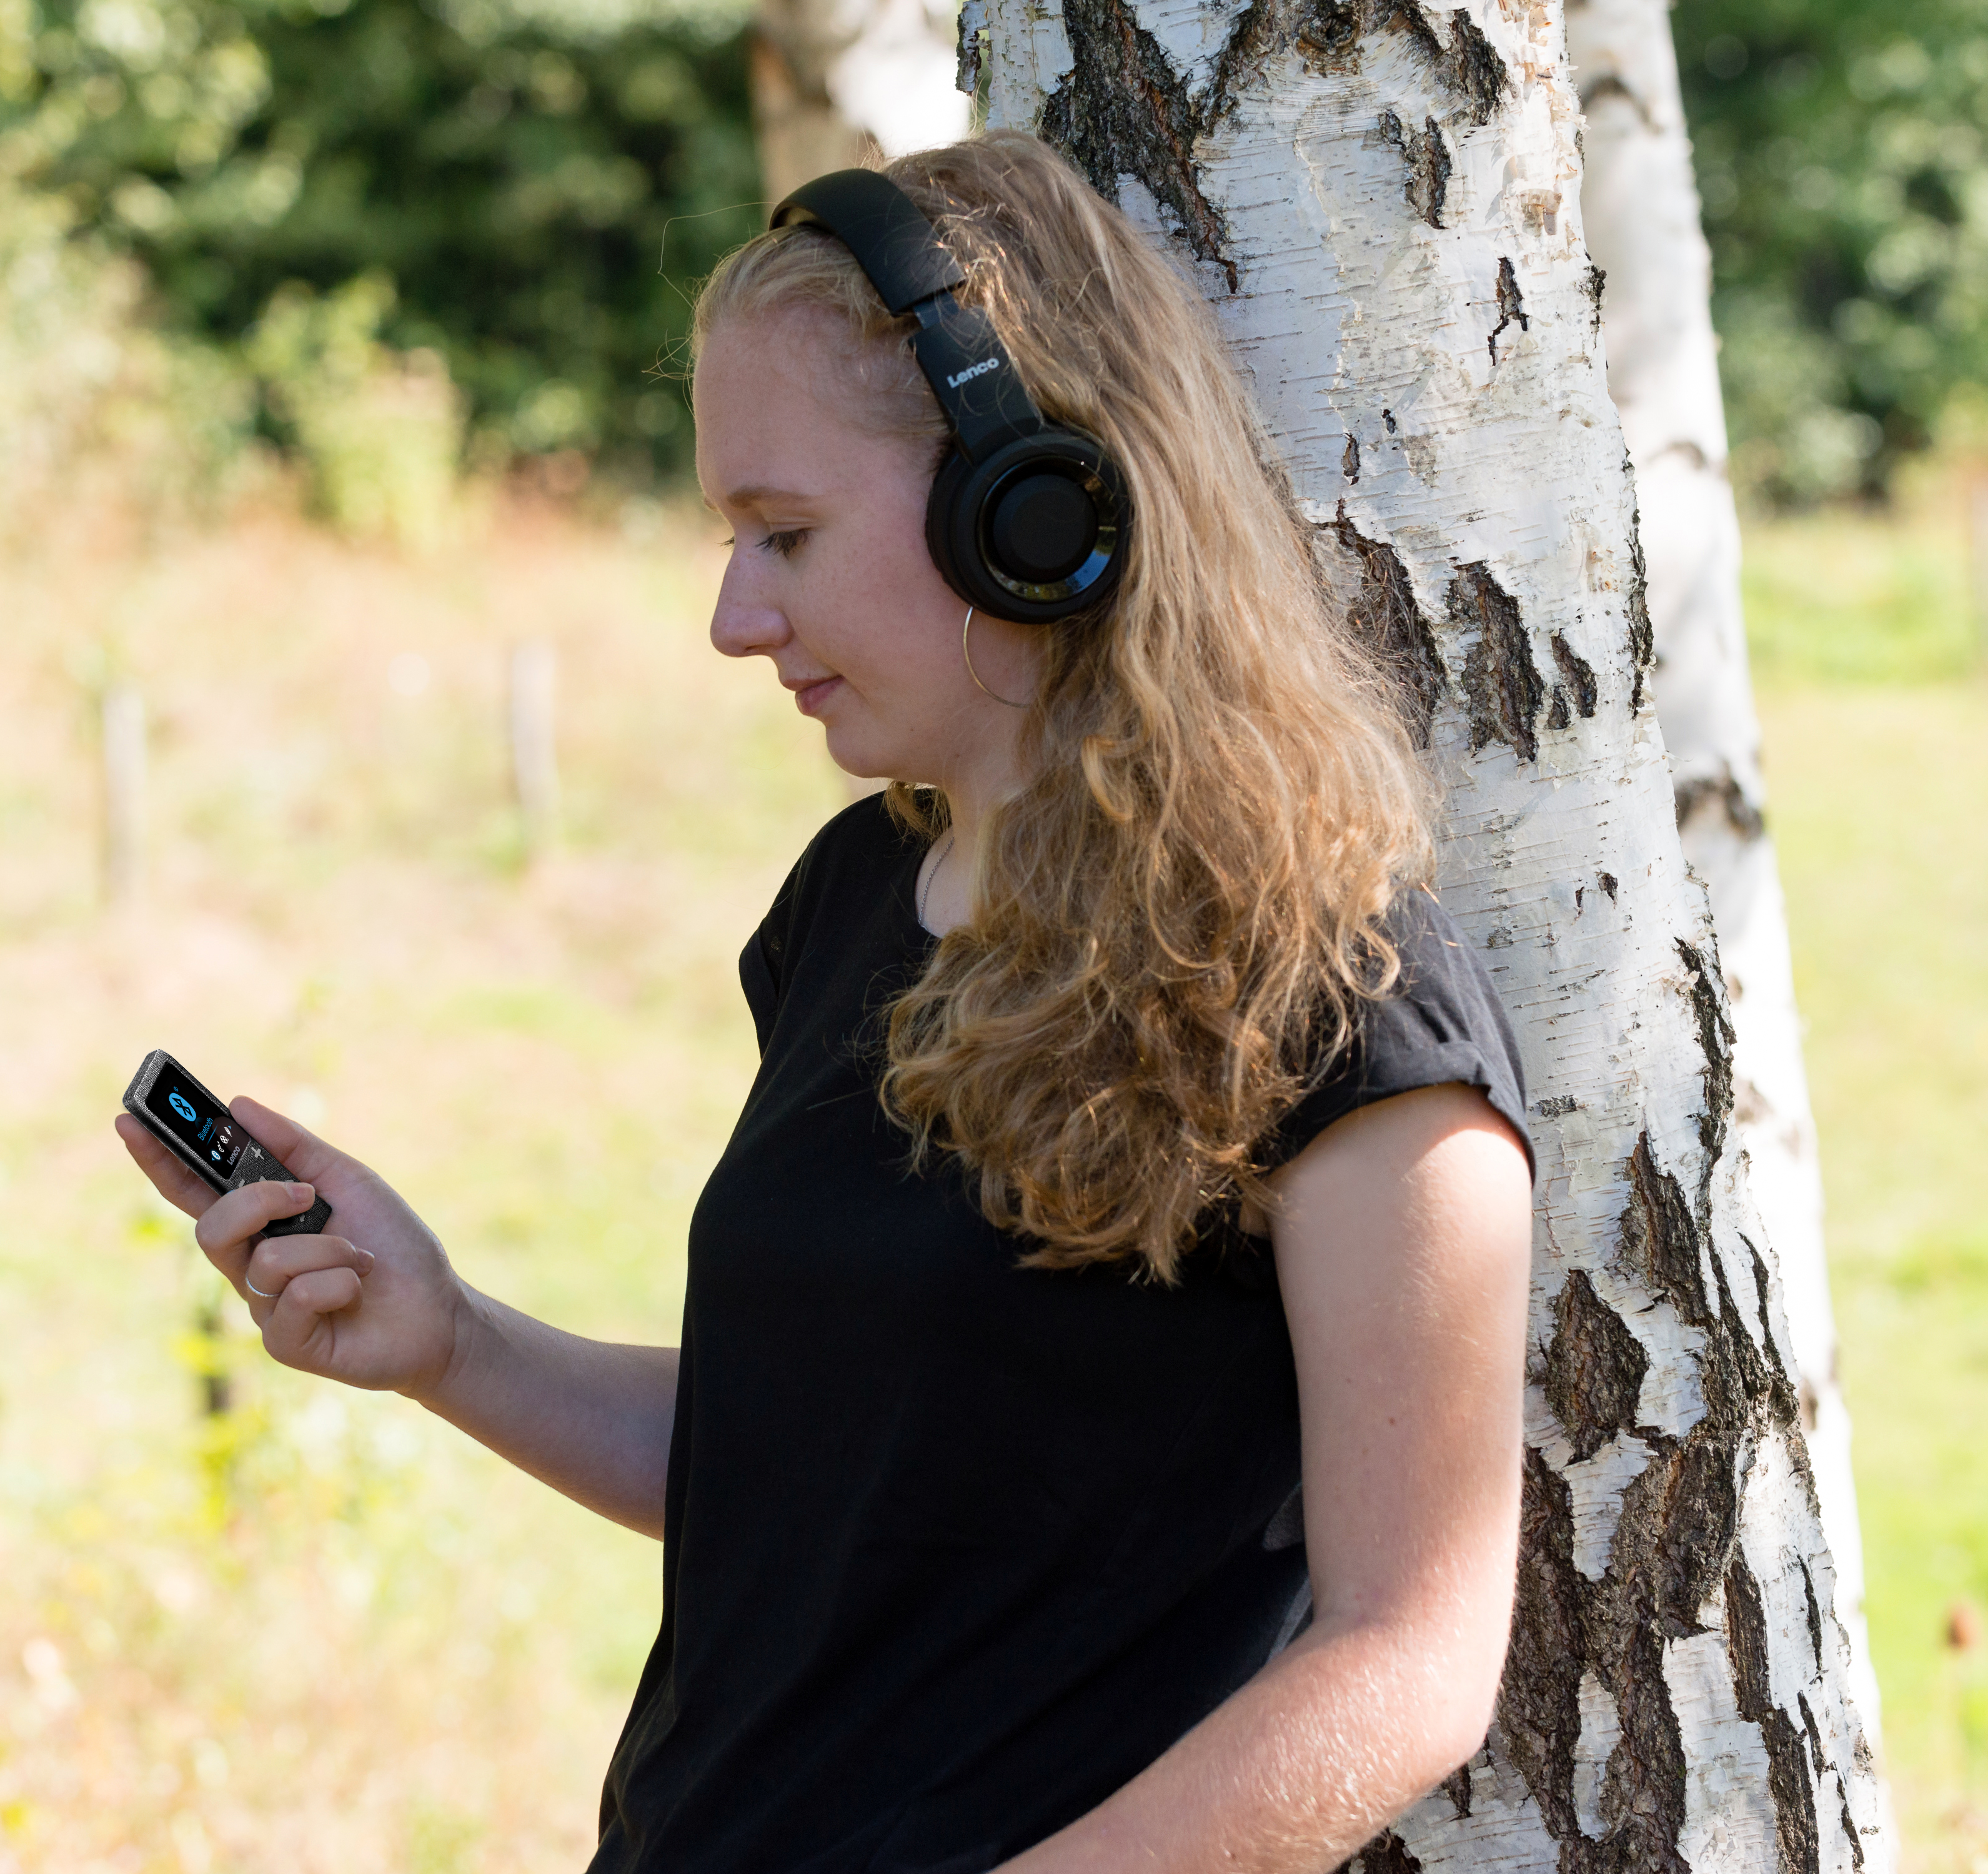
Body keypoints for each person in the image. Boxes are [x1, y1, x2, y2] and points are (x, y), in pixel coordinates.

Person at [117, 131, 1534, 1874]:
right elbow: (814, 1486)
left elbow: (1413, 1663)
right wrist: (454, 1344)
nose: (733, 616)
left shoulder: (1339, 998)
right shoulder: (850, 903)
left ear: (1031, 509)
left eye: (782, 532)